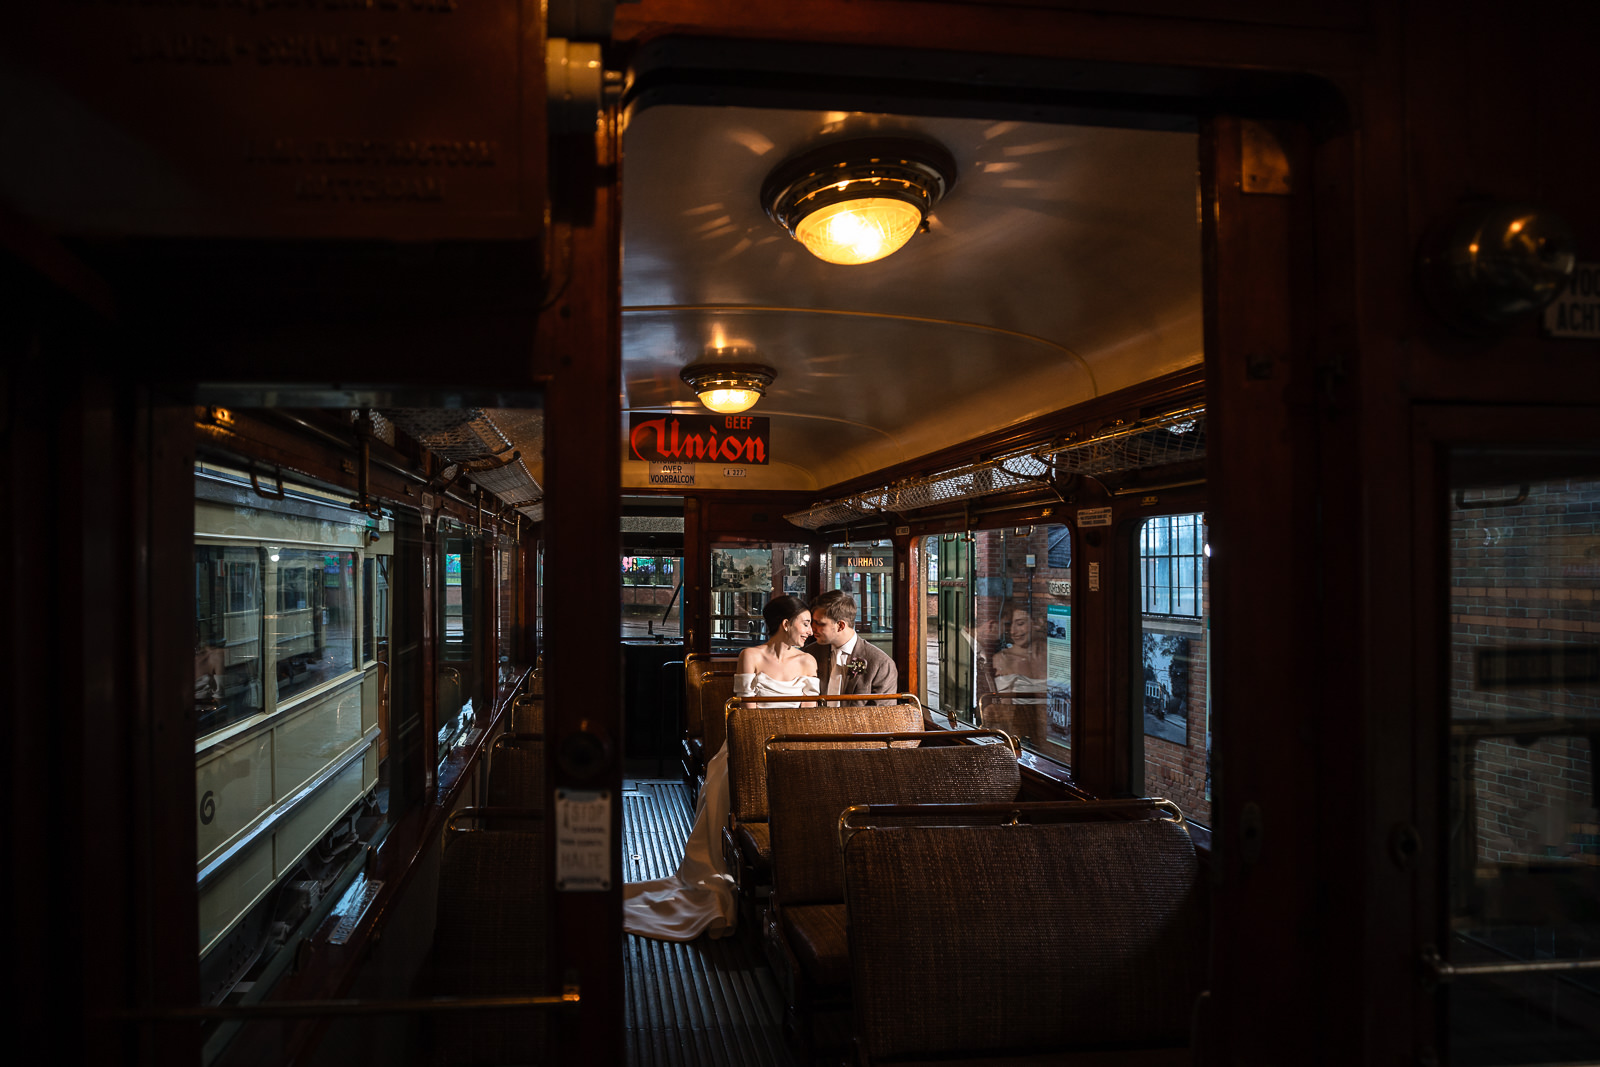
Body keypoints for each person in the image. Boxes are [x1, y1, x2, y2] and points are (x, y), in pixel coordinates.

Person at [623, 595, 819, 941]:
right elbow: (743, 711)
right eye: (805, 623)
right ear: (786, 624)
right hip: (745, 742)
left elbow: (807, 715)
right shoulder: (751, 656)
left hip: (785, 745)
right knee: (723, 782)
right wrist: (758, 746)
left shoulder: (808, 663)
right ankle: (716, 869)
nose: (810, 631)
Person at [809, 588, 897, 697]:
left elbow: (883, 711)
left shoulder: (881, 664)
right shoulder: (809, 654)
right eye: (813, 622)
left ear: (841, 626)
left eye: (820, 623)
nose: (812, 627)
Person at [991, 599, 1047, 695]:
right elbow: (1004, 706)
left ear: (1038, 623)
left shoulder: (1056, 654)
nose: (1013, 631)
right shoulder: (1003, 659)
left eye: (1020, 624)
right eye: (1009, 625)